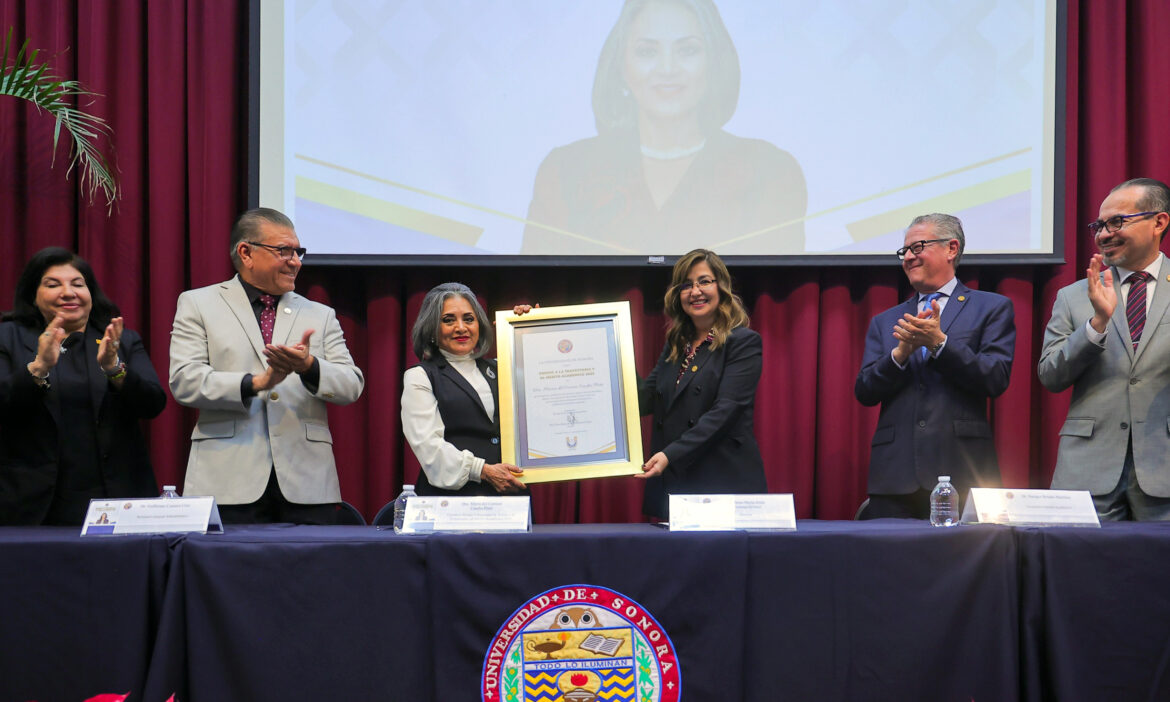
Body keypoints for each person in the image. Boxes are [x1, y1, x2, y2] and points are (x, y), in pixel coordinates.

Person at [521, 0, 806, 256]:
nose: (667, 68)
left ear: (713, 62)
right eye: (647, 52)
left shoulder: (770, 172)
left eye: (687, 50)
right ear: (621, 65)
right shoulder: (565, 171)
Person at [169, 208, 365, 524]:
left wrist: (310, 367)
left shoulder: (320, 314)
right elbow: (185, 380)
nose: (296, 261)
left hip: (307, 484)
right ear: (246, 253)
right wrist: (255, 384)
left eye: (298, 252)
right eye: (283, 251)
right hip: (226, 481)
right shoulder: (198, 304)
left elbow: (351, 384)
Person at [854, 213, 1015, 519]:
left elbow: (995, 378)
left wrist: (940, 343)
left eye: (918, 248)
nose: (909, 258)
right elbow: (864, 391)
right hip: (894, 478)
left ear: (951, 248)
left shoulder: (991, 308)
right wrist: (899, 355)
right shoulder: (885, 321)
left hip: (962, 471)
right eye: (905, 252)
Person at [0, 247, 165, 525]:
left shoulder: (122, 341)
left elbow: (152, 404)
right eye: (53, 284)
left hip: (114, 497)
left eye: (78, 284)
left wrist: (114, 369)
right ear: (33, 295)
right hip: (31, 502)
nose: (68, 292)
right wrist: (39, 366)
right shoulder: (8, 338)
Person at [1038, 177, 1170, 520]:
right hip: (1088, 471)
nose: (1104, 234)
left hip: (1164, 466)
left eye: (1117, 222)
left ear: (1159, 222)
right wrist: (1096, 325)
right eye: (1099, 225)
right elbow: (1050, 375)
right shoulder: (1074, 295)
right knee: (1079, 572)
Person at [636, 248, 766, 519]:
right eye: (686, 285)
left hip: (722, 485)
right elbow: (642, 399)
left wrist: (670, 455)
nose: (695, 291)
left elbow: (724, 412)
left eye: (704, 281)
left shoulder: (742, 342)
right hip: (676, 485)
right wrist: (601, 351)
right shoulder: (676, 346)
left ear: (722, 287)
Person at [401, 283, 526, 496]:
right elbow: (428, 446)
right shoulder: (420, 376)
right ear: (431, 328)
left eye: (469, 319)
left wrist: (530, 329)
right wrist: (483, 471)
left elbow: (548, 388)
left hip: (509, 497)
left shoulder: (504, 367)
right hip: (450, 502)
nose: (461, 327)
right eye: (448, 320)